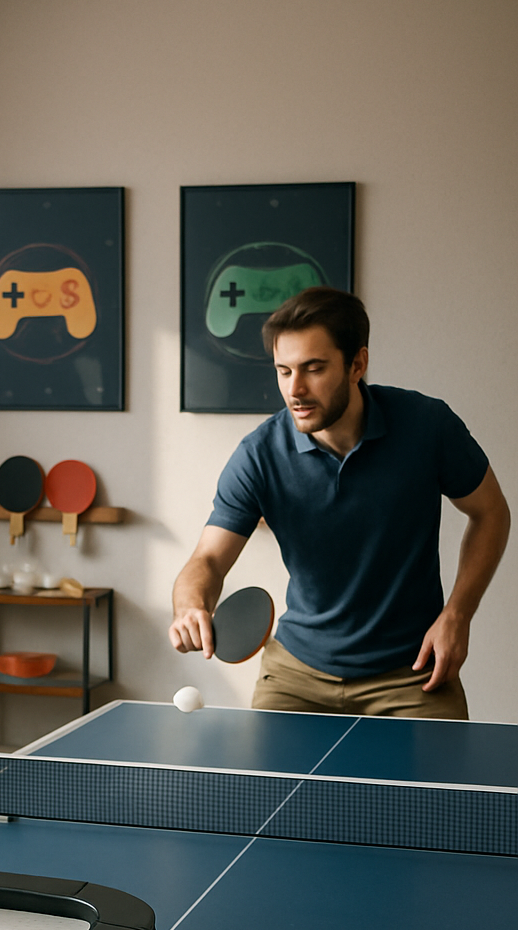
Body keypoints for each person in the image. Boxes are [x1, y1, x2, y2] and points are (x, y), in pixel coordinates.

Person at [169, 287, 510, 718]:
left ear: (357, 364)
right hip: (297, 674)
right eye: (283, 371)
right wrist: (191, 606)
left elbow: (491, 512)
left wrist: (458, 614)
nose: (295, 389)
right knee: (265, 787)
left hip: (411, 671)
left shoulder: (428, 426)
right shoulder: (259, 455)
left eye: (313, 369)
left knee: (438, 788)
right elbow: (208, 561)